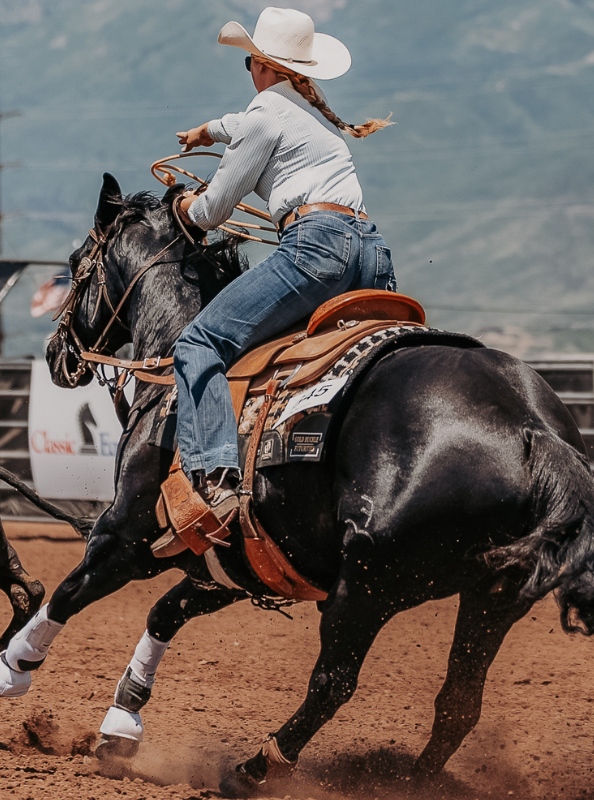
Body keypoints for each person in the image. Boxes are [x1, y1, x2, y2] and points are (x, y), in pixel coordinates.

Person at [172, 6, 397, 516]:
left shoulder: (264, 117)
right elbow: (247, 122)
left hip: (317, 250)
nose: (248, 72)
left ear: (261, 66)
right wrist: (209, 130)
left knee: (199, 342)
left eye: (248, 63)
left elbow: (211, 212)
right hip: (371, 254)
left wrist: (182, 205)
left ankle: (215, 476)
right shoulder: (312, 120)